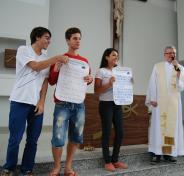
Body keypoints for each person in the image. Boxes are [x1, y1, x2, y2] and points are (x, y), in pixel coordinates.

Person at [1, 27, 68, 176]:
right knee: (15, 138)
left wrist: (42, 102)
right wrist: (56, 58)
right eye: (46, 37)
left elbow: (45, 82)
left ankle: (27, 170)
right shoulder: (23, 50)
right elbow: (35, 67)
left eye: (50, 38)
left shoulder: (46, 57)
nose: (49, 41)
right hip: (19, 100)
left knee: (33, 140)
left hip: (36, 103)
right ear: (37, 37)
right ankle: (9, 168)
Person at [48, 27, 93, 176]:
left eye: (79, 38)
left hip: (79, 105)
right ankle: (56, 167)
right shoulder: (60, 58)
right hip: (62, 104)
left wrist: (90, 79)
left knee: (75, 137)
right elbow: (52, 81)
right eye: (74, 38)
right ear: (67, 40)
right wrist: (57, 67)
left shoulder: (85, 62)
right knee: (58, 137)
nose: (78, 41)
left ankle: (68, 166)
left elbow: (85, 81)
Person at [146, 46, 184, 164]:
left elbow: (182, 85)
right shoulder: (157, 66)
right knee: (158, 128)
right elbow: (152, 83)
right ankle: (157, 153)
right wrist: (152, 99)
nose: (171, 55)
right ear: (164, 54)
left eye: (173, 53)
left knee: (171, 128)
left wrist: (178, 71)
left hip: (174, 103)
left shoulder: (180, 68)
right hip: (159, 103)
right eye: (169, 53)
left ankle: (168, 153)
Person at [94, 48, 128, 172]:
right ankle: (107, 161)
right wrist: (109, 83)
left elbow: (125, 86)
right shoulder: (101, 71)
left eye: (117, 55)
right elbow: (96, 91)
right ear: (107, 57)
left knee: (120, 132)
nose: (116, 57)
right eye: (113, 55)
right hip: (106, 105)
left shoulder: (120, 72)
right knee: (107, 132)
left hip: (117, 104)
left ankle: (115, 160)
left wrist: (129, 82)